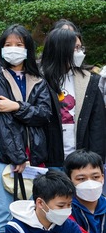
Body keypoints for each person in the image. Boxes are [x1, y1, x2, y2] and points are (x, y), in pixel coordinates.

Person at [0, 25, 52, 233]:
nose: (13, 48)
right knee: (0, 215)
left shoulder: (38, 79)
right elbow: (2, 122)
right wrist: (17, 157)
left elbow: (44, 114)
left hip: (35, 159)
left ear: (27, 48)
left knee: (33, 214)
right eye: (8, 44)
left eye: (19, 44)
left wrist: (16, 106)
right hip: (5, 159)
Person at [41, 27, 106, 168]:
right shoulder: (39, 80)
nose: (80, 52)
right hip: (49, 159)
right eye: (75, 48)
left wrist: (97, 161)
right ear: (61, 49)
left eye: (81, 48)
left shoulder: (90, 81)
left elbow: (98, 124)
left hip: (82, 160)